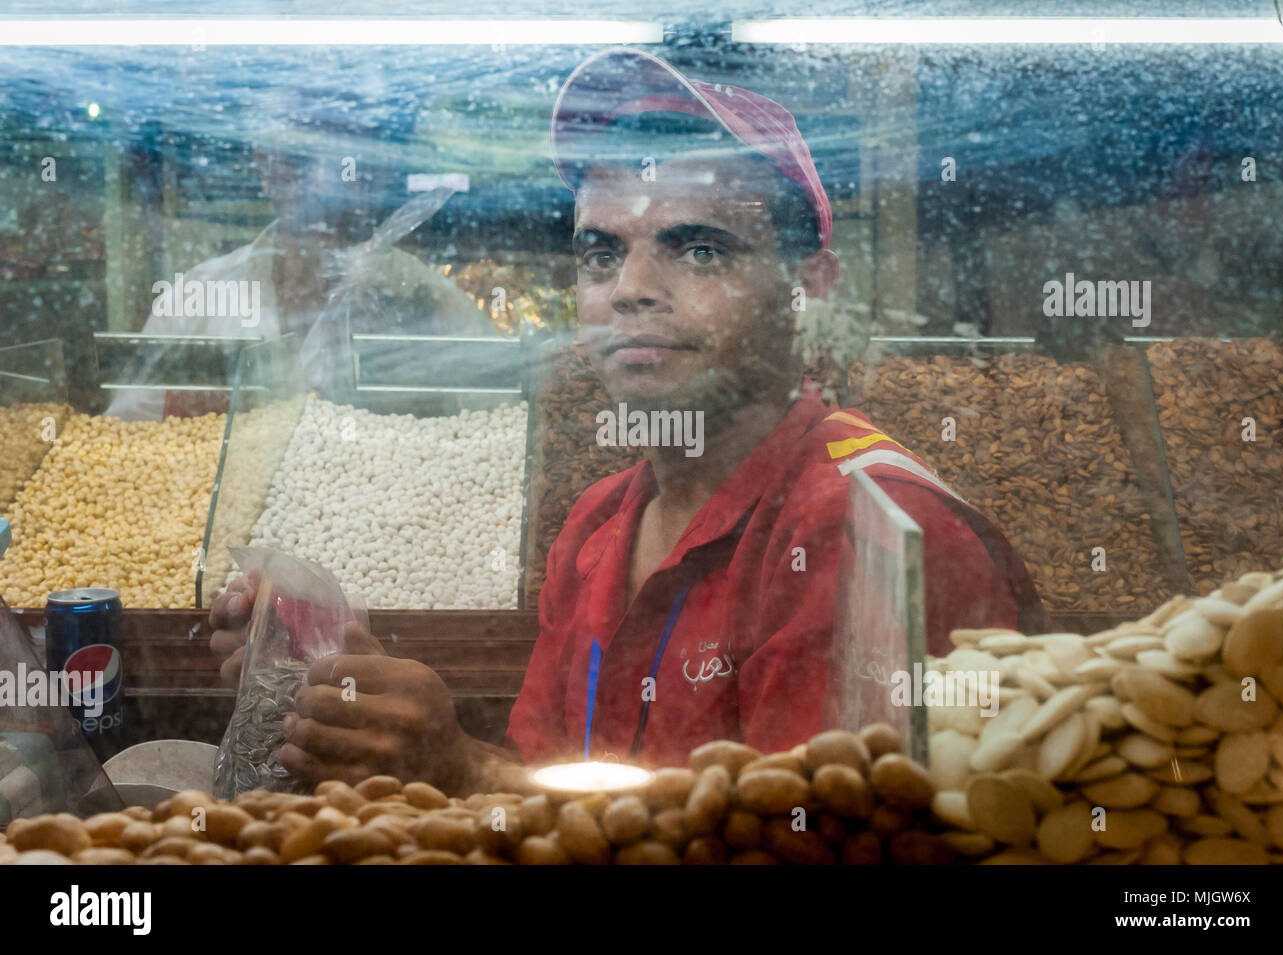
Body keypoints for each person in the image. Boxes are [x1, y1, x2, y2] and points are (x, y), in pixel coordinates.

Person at [209, 49, 1043, 792]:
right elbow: (550, 791)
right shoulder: (599, 523)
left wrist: (456, 764)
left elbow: (798, 843)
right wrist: (364, 694)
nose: (630, 288)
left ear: (810, 287)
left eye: (699, 248)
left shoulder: (870, 535)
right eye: (602, 253)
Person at [106, 89, 490, 421]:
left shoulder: (436, 307)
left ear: (381, 169)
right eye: (300, 159)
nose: (321, 185)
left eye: (343, 161)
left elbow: (497, 433)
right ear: (264, 165)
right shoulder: (197, 299)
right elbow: (131, 437)